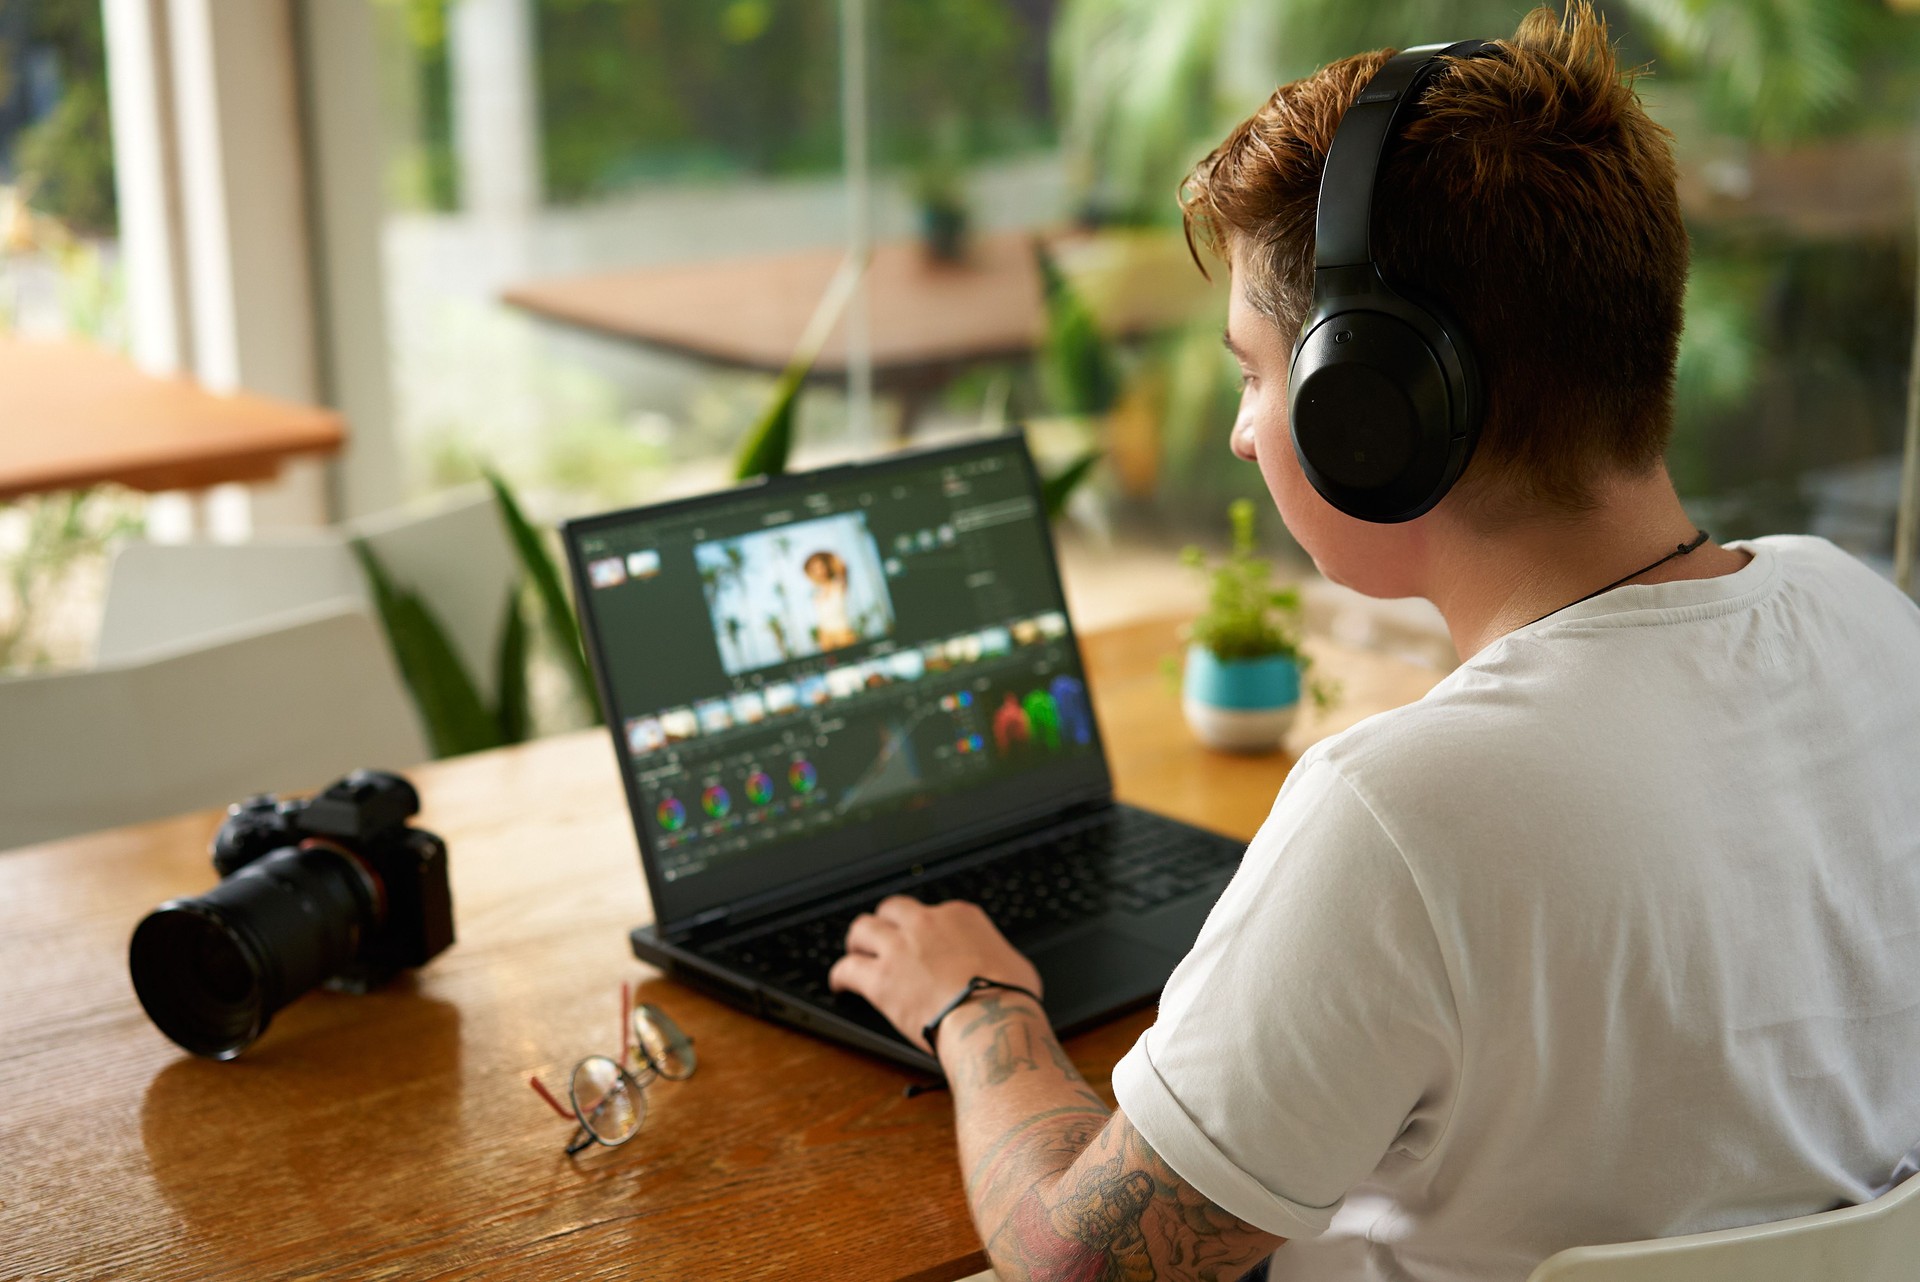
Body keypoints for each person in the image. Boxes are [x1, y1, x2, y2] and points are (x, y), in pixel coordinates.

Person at [829, 5, 1920, 1281]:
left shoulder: (1402, 815)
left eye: (1254, 371)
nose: (1244, 431)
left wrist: (981, 1008)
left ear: (1375, 408)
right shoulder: (1869, 618)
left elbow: (1073, 1261)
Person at [804, 549, 858, 650]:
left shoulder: (839, 585)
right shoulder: (817, 593)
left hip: (843, 636)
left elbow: (843, 567)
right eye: (815, 568)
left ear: (827, 566)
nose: (819, 571)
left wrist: (827, 555)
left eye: (821, 566)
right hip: (826, 639)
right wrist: (822, 639)